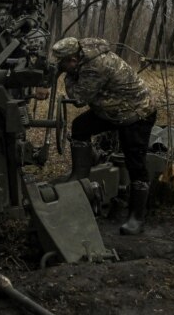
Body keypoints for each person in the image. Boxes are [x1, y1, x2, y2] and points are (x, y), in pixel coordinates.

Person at [51, 36, 157, 235]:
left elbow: (78, 98)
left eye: (63, 64)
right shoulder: (83, 54)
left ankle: (136, 218)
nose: (62, 67)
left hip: (136, 114)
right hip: (112, 109)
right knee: (80, 127)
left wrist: (67, 77)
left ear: (73, 60)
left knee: (135, 164)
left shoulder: (95, 67)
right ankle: (79, 177)